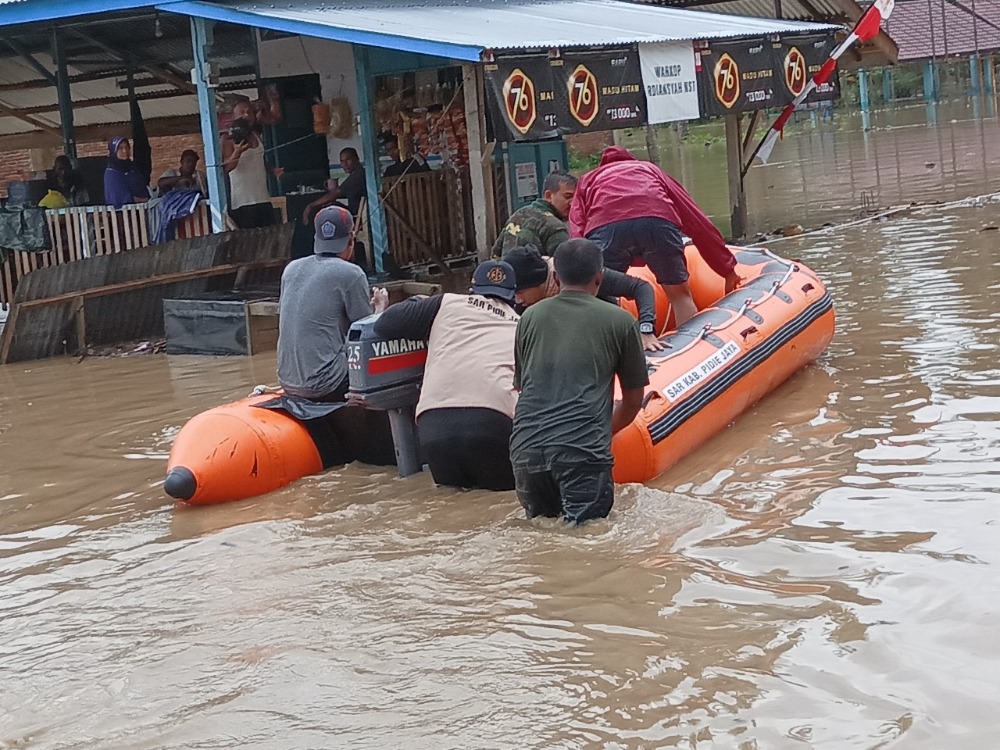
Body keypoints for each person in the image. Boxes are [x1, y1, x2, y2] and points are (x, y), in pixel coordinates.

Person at [510, 238, 649, 525]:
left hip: (526, 453)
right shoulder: (621, 322)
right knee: (588, 544)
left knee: (541, 537)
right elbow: (634, 400)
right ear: (600, 276)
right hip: (582, 454)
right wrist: (602, 433)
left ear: (556, 277)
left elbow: (523, 387)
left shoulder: (529, 319)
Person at [373, 260, 520, 491]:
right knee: (498, 506)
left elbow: (384, 324)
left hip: (435, 425)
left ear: (471, 289)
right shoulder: (521, 322)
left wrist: (418, 301)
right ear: (515, 297)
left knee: (453, 508)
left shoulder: (446, 303)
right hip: (495, 422)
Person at [570, 146, 741, 327]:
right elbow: (697, 221)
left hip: (606, 228)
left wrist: (576, 277)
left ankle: (614, 348)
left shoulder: (588, 179)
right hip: (657, 221)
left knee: (599, 297)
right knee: (680, 296)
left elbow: (576, 234)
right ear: (632, 160)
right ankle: (690, 344)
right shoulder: (650, 170)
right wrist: (727, 269)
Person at [277, 204, 387, 402]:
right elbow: (363, 336)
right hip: (326, 383)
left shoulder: (291, 269)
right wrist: (379, 310)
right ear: (351, 239)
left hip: (286, 381)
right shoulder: (351, 273)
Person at [503, 244, 664, 352]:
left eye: (520, 293)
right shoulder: (520, 307)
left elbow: (640, 287)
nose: (517, 300)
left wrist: (646, 328)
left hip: (604, 337)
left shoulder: (578, 275)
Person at [303, 147, 369, 269]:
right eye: (342, 161)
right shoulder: (355, 175)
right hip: (355, 214)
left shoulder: (359, 175)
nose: (345, 164)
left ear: (356, 159)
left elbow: (337, 192)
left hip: (357, 218)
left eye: (348, 160)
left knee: (329, 211)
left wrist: (311, 205)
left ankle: (328, 253)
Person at [222, 100, 282, 229]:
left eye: (249, 112)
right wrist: (237, 152)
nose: (246, 115)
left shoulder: (256, 134)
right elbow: (227, 167)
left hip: (263, 198)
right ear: (234, 117)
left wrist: (272, 170)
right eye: (242, 112)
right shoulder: (227, 139)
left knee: (270, 237)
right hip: (242, 202)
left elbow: (259, 159)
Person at [492, 170, 577, 257]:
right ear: (548, 196)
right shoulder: (555, 227)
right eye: (568, 196)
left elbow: (495, 254)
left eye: (577, 198)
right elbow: (565, 265)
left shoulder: (518, 214)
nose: (572, 203)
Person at [103, 137, 149, 208]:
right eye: (120, 148)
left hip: (143, 211)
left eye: (127, 147)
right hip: (123, 215)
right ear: (114, 151)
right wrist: (144, 200)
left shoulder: (132, 168)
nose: (125, 151)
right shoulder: (112, 173)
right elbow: (118, 199)